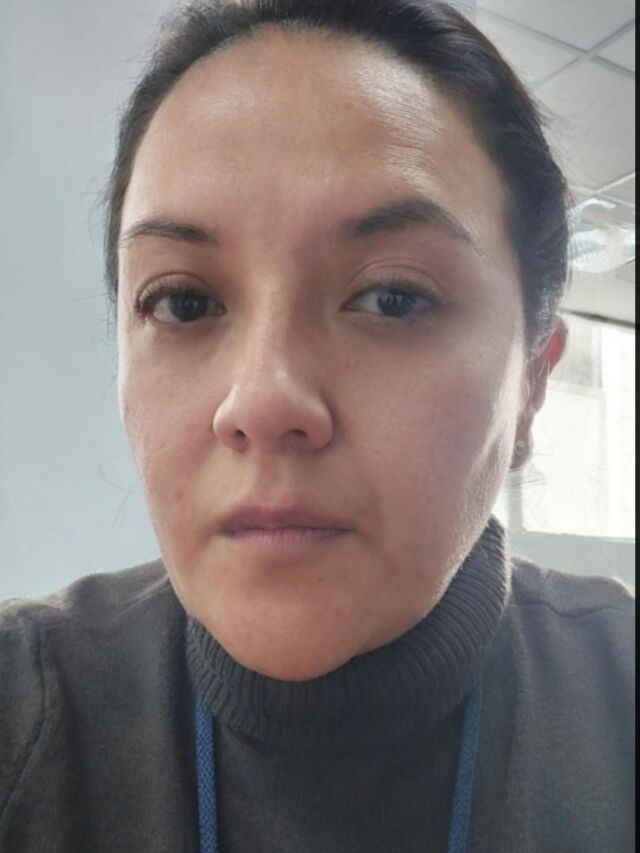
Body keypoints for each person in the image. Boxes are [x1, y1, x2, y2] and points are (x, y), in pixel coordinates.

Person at [0, 0, 634, 850]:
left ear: (532, 381)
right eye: (183, 302)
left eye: (393, 298)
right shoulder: (23, 706)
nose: (262, 402)